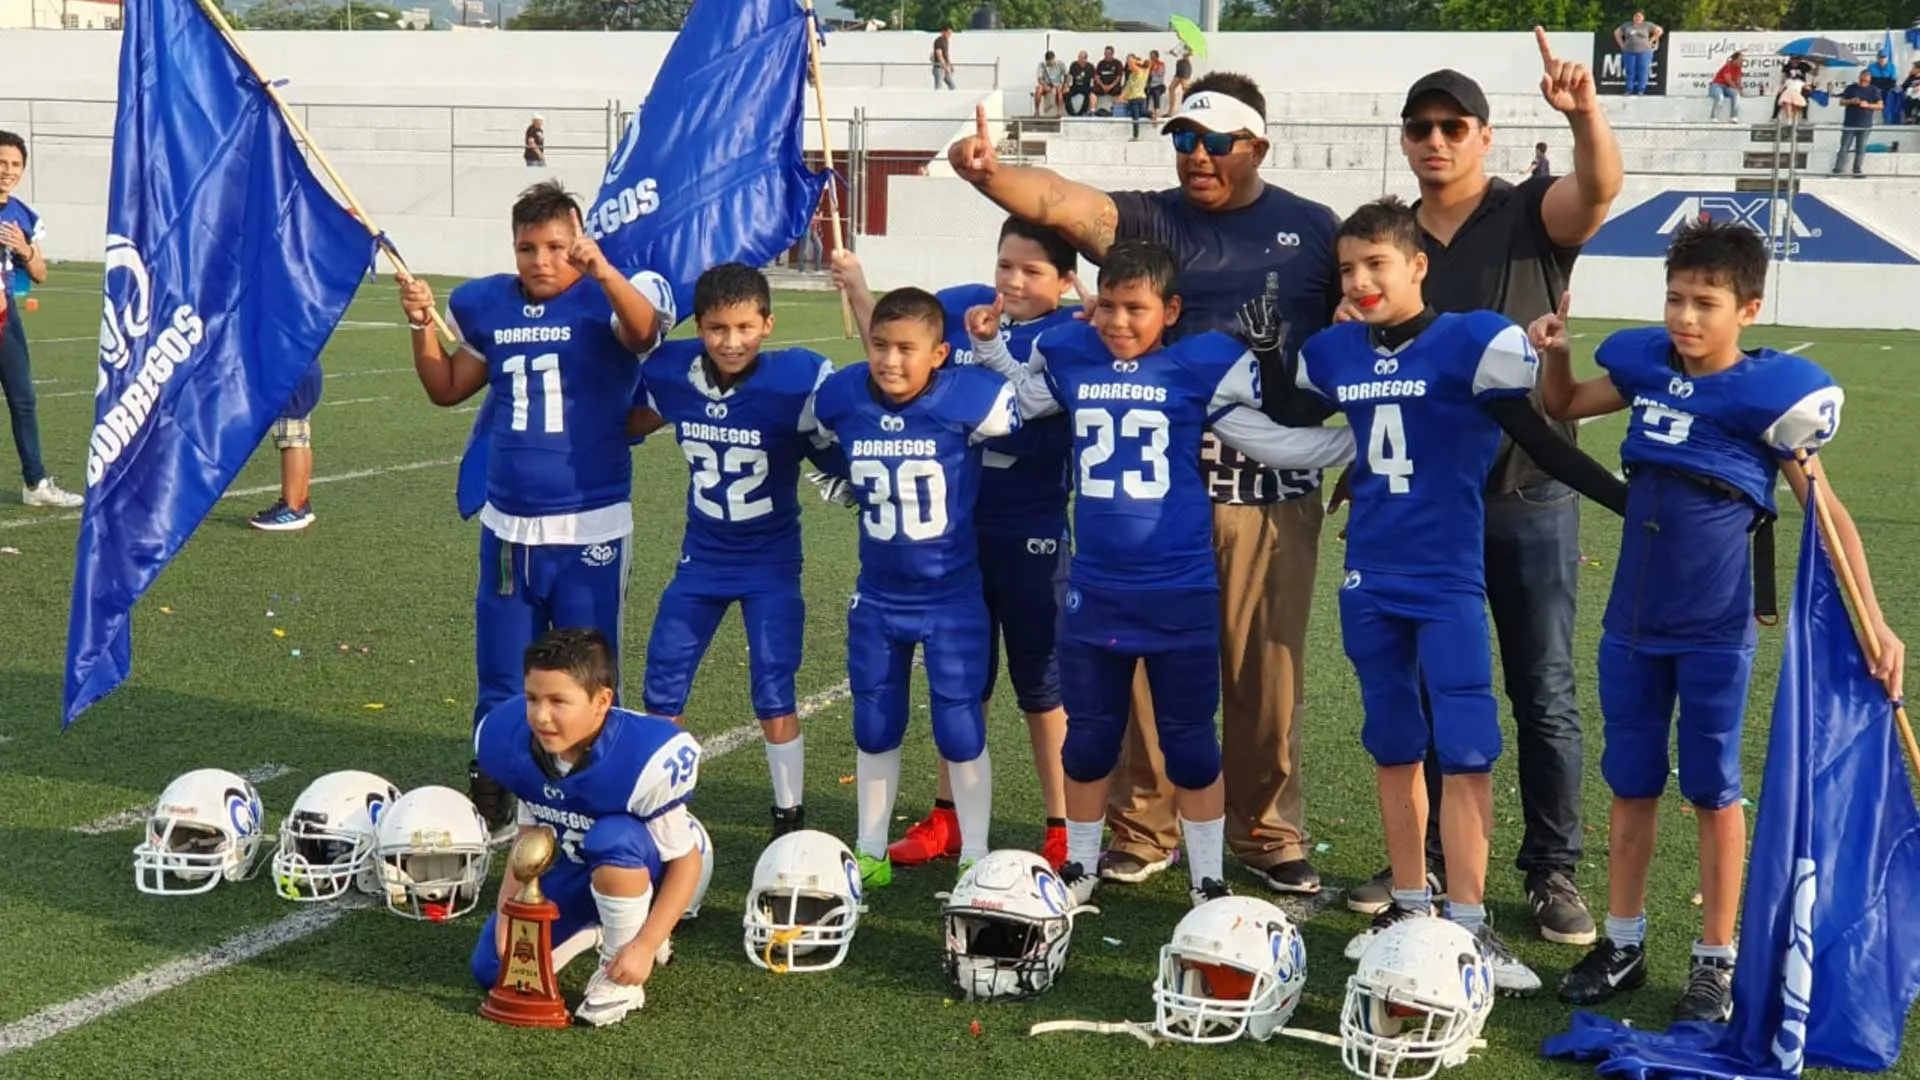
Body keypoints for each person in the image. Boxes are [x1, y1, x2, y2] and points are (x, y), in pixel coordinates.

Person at [947, 76, 1342, 897]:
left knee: (1263, 679)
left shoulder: (1311, 230)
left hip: (1267, 480)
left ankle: (1266, 832)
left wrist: (1365, 435)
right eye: (1183, 139)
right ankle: (1141, 826)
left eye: (1214, 141)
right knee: (1134, 668)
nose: (1196, 155)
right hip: (1154, 492)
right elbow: (1060, 200)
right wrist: (990, 175)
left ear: (1256, 146)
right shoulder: (1151, 217)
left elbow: (1352, 331)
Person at [1533, 220, 1905, 1022]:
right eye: (1675, 298)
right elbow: (1561, 405)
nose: (1685, 317)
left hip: (1713, 627)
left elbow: (1829, 517)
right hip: (1631, 620)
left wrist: (1875, 622)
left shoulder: (1768, 400)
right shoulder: (1643, 369)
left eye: (1705, 302)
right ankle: (1624, 939)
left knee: (1712, 789)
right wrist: (1556, 350)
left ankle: (1714, 956)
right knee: (1630, 784)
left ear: (1749, 308)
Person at [1293, 197, 1625, 993]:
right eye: (1348, 268)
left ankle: (1471, 926)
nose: (1362, 280)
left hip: (1447, 579)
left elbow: (1541, 438)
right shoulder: (1333, 351)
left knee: (1468, 749)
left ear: (1417, 265)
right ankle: (1412, 906)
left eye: (1378, 264)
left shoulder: (1472, 341)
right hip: (1370, 576)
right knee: (1394, 744)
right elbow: (1286, 413)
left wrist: (1634, 506)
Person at [1350, 46, 1624, 946]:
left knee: (1540, 686)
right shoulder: (1392, 237)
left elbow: (1598, 191)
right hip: (1427, 507)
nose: (1435, 139)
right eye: (1420, 126)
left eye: (1452, 125)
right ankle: (1424, 869)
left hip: (1527, 490)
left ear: (1484, 136)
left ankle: (1551, 869)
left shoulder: (1524, 211)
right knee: (1431, 690)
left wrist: (1584, 114)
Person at [399, 181, 672, 836]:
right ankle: (492, 781)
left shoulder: (604, 295)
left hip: (589, 525)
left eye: (555, 245)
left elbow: (642, 333)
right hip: (508, 527)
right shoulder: (487, 303)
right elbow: (446, 388)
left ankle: (590, 789)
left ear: (577, 240)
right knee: (500, 669)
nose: (541, 260)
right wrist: (419, 325)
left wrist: (601, 268)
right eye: (527, 247)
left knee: (586, 673)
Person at [833, 219, 1082, 871]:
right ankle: (945, 818)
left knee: (1042, 683)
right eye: (1006, 265)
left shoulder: (1072, 336)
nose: (1013, 280)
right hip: (955, 536)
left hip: (1030, 530)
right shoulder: (962, 307)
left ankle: (1061, 825)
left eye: (1032, 271)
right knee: (961, 684)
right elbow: (899, 354)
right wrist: (859, 289)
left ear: (1066, 281)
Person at [810, 287, 1020, 888]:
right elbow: (817, 441)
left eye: (907, 348)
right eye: (880, 345)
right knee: (874, 722)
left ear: (939, 355)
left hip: (950, 597)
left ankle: (975, 853)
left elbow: (1018, 417)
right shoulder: (844, 396)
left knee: (959, 726)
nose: (891, 360)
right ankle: (870, 848)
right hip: (877, 595)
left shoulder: (966, 397)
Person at [632, 264, 844, 843]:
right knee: (663, 682)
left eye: (745, 327)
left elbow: (843, 436)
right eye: (718, 328)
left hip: (770, 562)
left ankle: (788, 814)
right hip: (700, 558)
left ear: (767, 324)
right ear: (699, 327)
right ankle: (660, 804)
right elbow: (631, 418)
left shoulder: (796, 379)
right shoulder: (671, 372)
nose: (732, 341)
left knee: (774, 686)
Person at [471, 628, 712, 1028]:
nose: (541, 715)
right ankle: (599, 927)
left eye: (558, 701)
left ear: (602, 701)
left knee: (612, 836)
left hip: (645, 864)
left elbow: (685, 862)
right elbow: (530, 841)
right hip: (571, 863)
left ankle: (622, 974)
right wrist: (509, 912)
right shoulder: (510, 738)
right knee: (495, 969)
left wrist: (644, 945)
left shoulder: (643, 756)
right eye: (532, 698)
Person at [0, 130, 82, 509]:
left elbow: (40, 273)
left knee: (23, 400)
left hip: (4, 318)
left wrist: (24, 248)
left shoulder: (20, 214)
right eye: (2, 162)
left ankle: (36, 484)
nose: (8, 171)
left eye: (15, 164)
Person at [249, 358, 323, 530]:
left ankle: (292, 508)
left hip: (292, 376)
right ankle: (300, 501)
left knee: (292, 440)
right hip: (307, 373)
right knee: (301, 438)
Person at [1834, 70, 1882, 177]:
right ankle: (1838, 169)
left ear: (1869, 79)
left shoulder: (1874, 90)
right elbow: (1841, 102)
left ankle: (1857, 170)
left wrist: (1868, 105)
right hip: (1850, 123)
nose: (1863, 81)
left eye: (1866, 80)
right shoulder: (1851, 88)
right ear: (1859, 77)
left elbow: (1880, 106)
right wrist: (1851, 101)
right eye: (1862, 79)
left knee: (1861, 148)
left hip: (1865, 124)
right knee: (1844, 147)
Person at [1613, 12, 1661, 96]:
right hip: (1629, 51)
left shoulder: (1647, 25)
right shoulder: (1627, 25)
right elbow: (1617, 32)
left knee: (1643, 70)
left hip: (1644, 51)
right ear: (1633, 17)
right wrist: (1621, 44)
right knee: (1630, 71)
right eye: (1636, 16)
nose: (1637, 18)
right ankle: (1629, 90)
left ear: (1643, 18)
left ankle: (1641, 90)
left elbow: (1659, 30)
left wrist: (1651, 40)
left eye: (1639, 17)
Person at [1708, 52, 1742, 122]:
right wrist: (1736, 88)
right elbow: (1728, 80)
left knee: (1736, 95)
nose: (1742, 61)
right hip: (1717, 85)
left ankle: (1733, 117)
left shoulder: (1739, 68)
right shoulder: (1728, 66)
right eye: (1740, 59)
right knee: (1720, 98)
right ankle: (1713, 117)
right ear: (1734, 60)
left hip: (1727, 88)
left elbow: (1738, 81)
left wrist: (1740, 90)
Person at [1093, 46, 1124, 117]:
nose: (1106, 55)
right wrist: (1103, 86)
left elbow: (1119, 77)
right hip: (1102, 86)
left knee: (1118, 91)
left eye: (1108, 54)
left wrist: (1110, 86)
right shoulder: (1101, 63)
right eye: (1105, 54)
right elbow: (1097, 77)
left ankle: (1114, 111)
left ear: (1112, 54)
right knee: (1093, 91)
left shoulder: (1118, 63)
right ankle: (1092, 111)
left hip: (1113, 86)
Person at [1034, 50, 1067, 117]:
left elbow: (1066, 75)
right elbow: (1039, 78)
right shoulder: (1042, 65)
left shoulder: (1060, 64)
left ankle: (1059, 111)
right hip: (1046, 84)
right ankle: (1037, 110)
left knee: (1059, 90)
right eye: (1048, 62)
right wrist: (1045, 86)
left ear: (1054, 59)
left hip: (1057, 84)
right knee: (1039, 89)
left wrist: (1065, 84)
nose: (1050, 63)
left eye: (1051, 61)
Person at [1066, 51, 1095, 117]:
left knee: (1088, 95)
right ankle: (1071, 112)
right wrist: (1067, 86)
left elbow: (1092, 80)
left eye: (1081, 58)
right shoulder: (1074, 65)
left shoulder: (1090, 67)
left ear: (1085, 59)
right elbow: (1070, 76)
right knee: (1066, 94)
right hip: (1075, 86)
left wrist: (1092, 88)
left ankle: (1082, 113)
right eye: (1079, 57)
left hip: (1085, 86)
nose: (1079, 59)